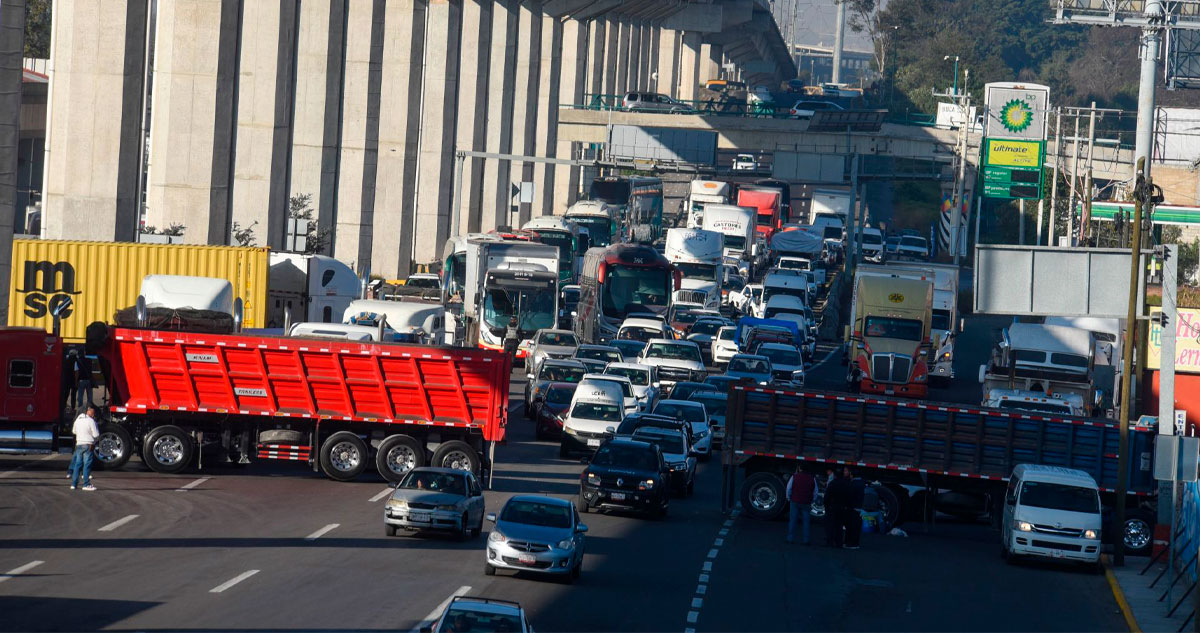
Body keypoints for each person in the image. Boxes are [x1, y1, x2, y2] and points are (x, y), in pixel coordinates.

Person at [69, 406, 99, 491]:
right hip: (88, 445)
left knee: (77, 464)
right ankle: (86, 484)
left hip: (79, 444)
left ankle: (74, 484)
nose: (93, 416)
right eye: (93, 414)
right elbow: (96, 434)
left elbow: (74, 431)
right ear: (91, 413)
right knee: (87, 465)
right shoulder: (91, 421)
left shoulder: (77, 421)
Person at [786, 465, 816, 545]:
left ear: (800, 469)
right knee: (806, 522)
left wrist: (789, 498)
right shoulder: (812, 478)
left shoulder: (794, 477)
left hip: (795, 500)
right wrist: (812, 500)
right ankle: (806, 540)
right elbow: (815, 491)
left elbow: (789, 488)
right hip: (806, 502)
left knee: (793, 520)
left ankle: (790, 538)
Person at [823, 468, 852, 548]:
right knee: (839, 526)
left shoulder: (832, 483)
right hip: (842, 507)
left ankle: (830, 542)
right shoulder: (846, 484)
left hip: (833, 506)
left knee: (830, 525)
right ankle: (839, 542)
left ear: (835, 475)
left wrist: (827, 506)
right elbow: (849, 496)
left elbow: (827, 497)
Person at [843, 466, 864, 549]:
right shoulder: (861, 483)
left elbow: (849, 496)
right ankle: (854, 543)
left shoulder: (852, 484)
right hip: (859, 507)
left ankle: (850, 543)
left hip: (852, 508)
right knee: (856, 527)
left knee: (850, 527)